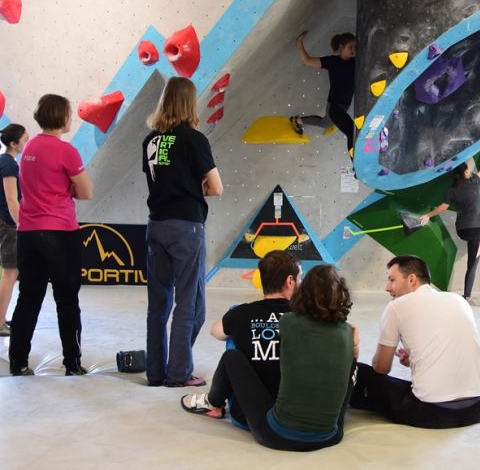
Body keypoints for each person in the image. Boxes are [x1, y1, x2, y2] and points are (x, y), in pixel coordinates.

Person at [182, 264, 357, 452]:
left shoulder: (289, 321)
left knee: (231, 357)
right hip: (331, 436)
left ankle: (212, 403)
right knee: (352, 364)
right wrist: (353, 345)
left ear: (303, 293)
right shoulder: (348, 331)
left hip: (278, 435)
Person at [142, 77, 223, 387]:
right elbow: (216, 187)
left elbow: (162, 179)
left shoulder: (150, 140)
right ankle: (178, 373)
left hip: (156, 225)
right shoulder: (193, 139)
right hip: (185, 227)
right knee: (190, 304)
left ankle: (156, 372)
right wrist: (197, 187)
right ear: (190, 102)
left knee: (158, 304)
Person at [9, 95, 93, 377]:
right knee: (67, 299)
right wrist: (66, 188)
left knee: (28, 298)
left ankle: (18, 362)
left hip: (28, 231)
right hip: (59, 231)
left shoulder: (28, 147)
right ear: (62, 117)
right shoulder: (66, 151)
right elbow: (86, 192)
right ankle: (72, 362)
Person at [350, 254, 480, 428]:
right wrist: (414, 358)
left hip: (432, 412)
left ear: (412, 279)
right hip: (476, 409)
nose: (387, 287)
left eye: (392, 280)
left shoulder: (397, 307)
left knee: (359, 372)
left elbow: (381, 368)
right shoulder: (458, 300)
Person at [206, 249, 301, 426]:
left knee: (233, 331)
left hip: (247, 416)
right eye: (299, 278)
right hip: (296, 413)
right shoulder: (304, 315)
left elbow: (215, 332)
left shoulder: (241, 312)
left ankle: (215, 403)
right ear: (290, 281)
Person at [419, 139, 480, 302]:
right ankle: (467, 297)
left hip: (462, 230)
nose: (470, 171)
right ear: (465, 172)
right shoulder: (475, 182)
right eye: (468, 170)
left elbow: (442, 207)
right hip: (475, 230)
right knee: (472, 264)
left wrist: (428, 216)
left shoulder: (452, 190)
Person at [0, 123, 27, 336]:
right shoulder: (9, 165)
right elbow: (12, 199)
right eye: (24, 140)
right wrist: (22, 225)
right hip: (7, 224)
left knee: (2, 272)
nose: (26, 144)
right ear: (13, 143)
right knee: (10, 273)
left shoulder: (0, 161)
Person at [290, 31, 357, 156]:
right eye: (350, 47)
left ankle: (298, 120)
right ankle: (357, 165)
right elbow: (307, 60)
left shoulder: (356, 62)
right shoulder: (333, 62)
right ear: (341, 47)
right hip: (335, 107)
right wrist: (299, 43)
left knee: (325, 123)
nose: (353, 50)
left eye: (354, 47)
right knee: (351, 131)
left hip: (344, 106)